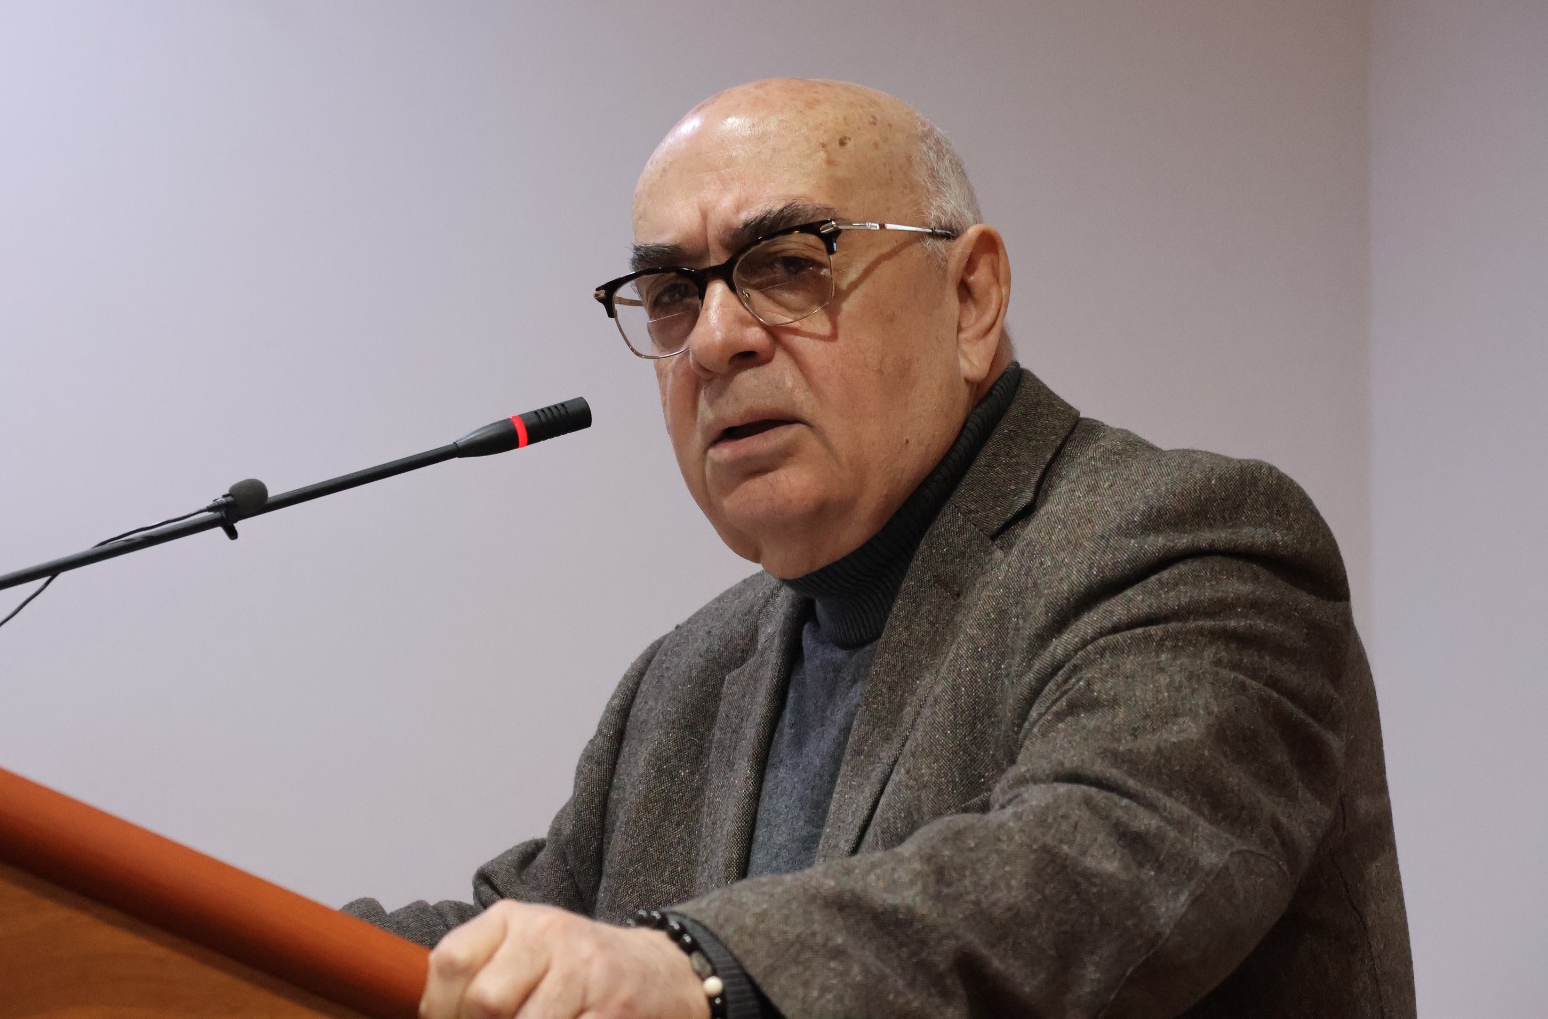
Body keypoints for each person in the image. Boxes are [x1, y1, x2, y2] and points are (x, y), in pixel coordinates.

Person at [346, 78, 1415, 1018]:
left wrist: (700, 972)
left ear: (971, 297)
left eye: (786, 262)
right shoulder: (685, 680)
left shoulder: (1188, 544)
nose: (714, 340)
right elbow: (518, 944)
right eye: (672, 294)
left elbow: (1083, 876)